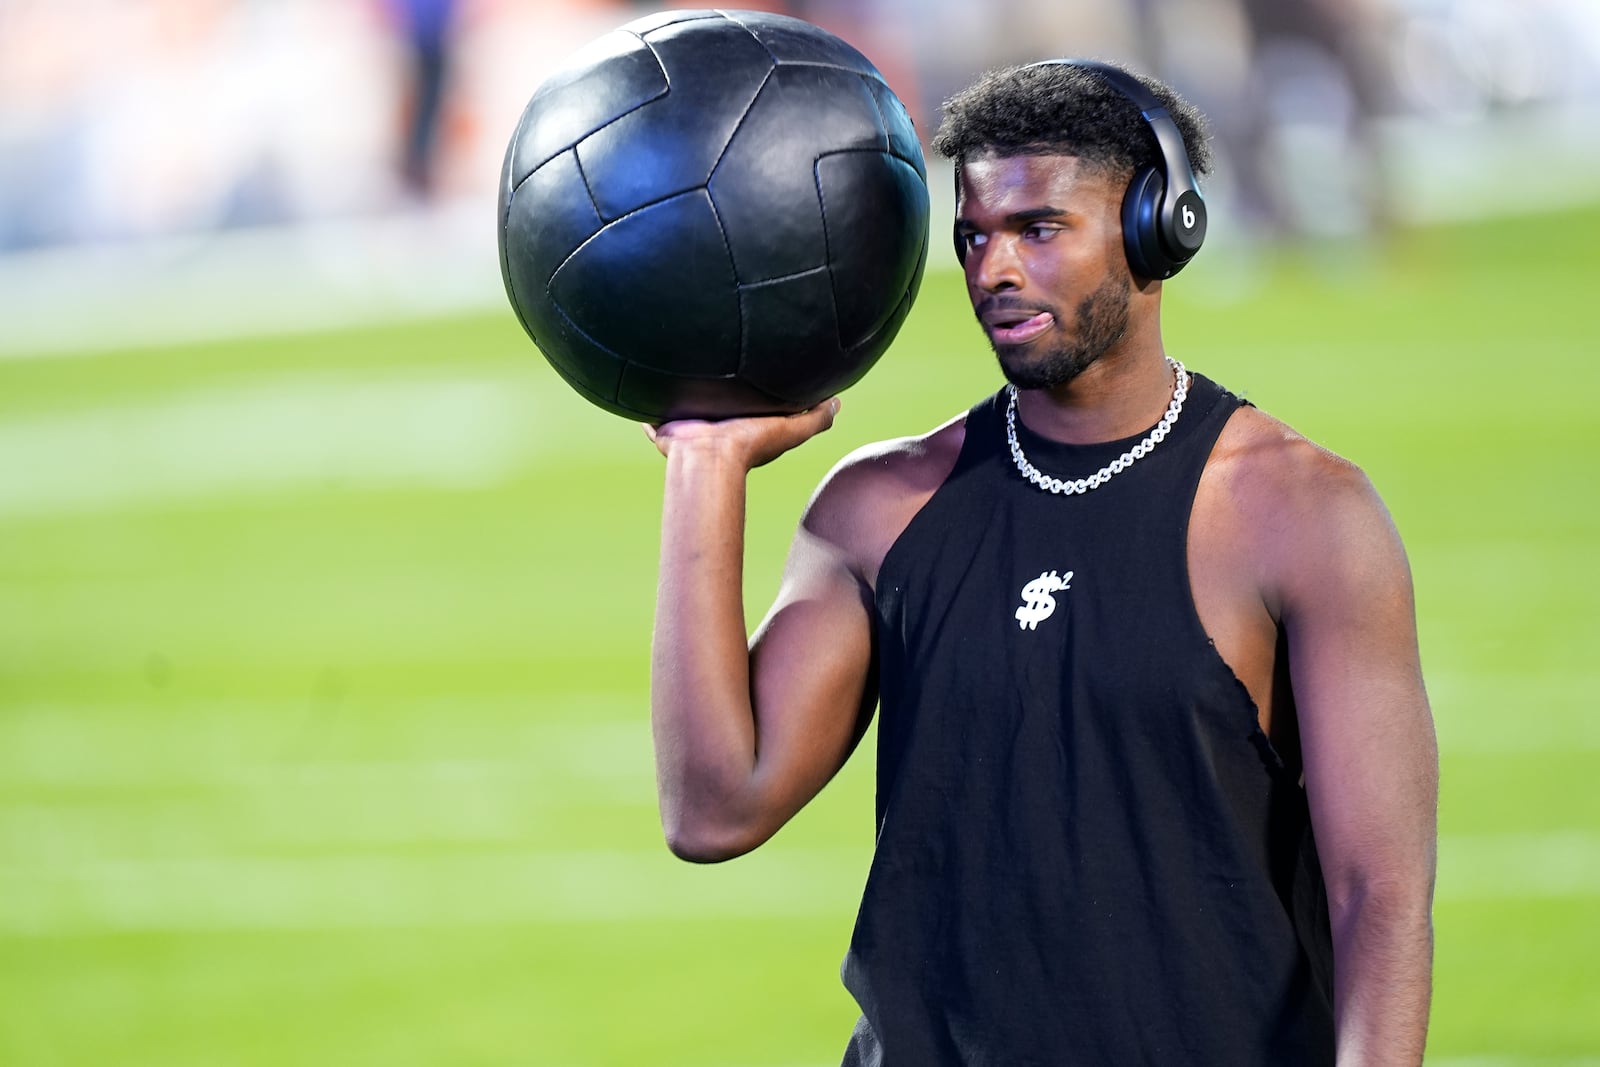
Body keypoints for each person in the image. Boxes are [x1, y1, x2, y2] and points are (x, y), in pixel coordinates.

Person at [645, 59, 1437, 1065]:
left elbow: (1380, 892)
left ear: (1157, 227)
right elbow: (714, 808)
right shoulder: (880, 508)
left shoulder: (1301, 513)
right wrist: (705, 466)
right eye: (974, 234)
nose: (993, 269)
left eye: (1039, 229)